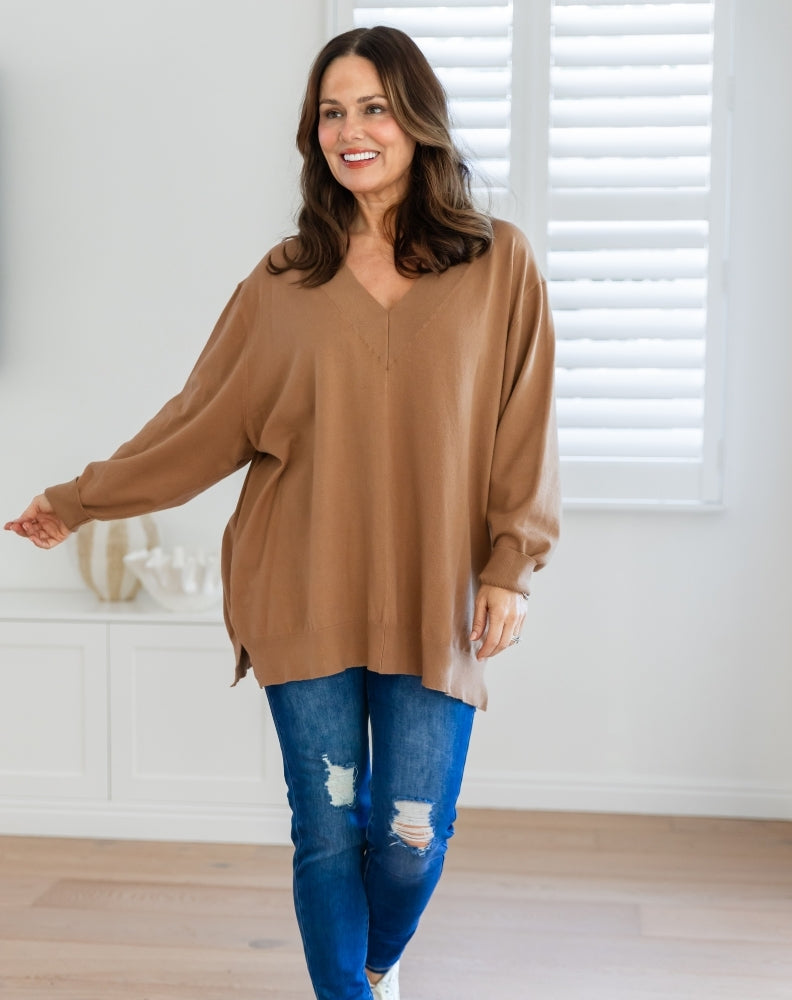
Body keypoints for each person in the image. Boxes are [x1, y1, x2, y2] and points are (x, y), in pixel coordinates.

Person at [5, 25, 560, 1000]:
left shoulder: (496, 263)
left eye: (373, 108)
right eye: (331, 113)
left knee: (412, 835)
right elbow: (197, 425)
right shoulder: (284, 281)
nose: (351, 131)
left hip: (436, 594)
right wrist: (79, 499)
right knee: (327, 830)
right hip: (302, 588)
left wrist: (511, 566)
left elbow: (526, 424)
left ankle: (373, 966)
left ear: (418, 120)